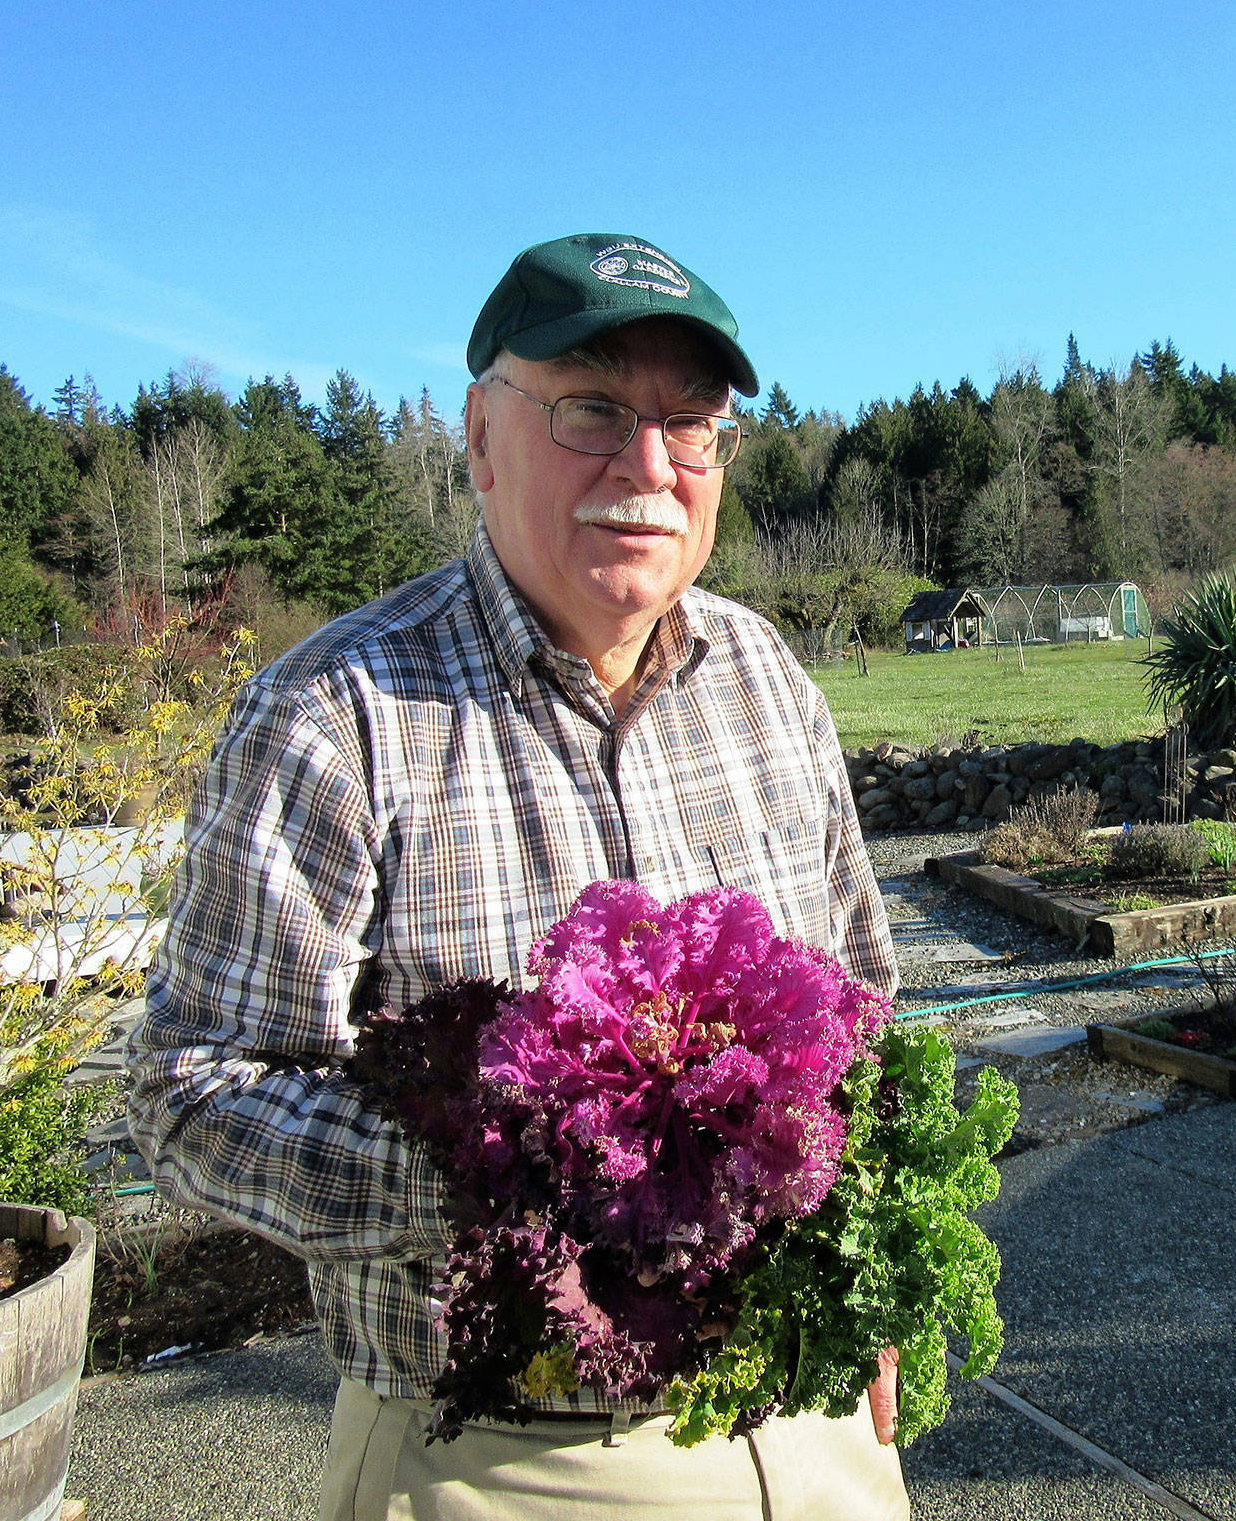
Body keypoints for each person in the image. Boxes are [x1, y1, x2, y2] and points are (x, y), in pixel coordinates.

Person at [128, 232, 910, 1521]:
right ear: (482, 440)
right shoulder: (338, 717)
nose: (648, 468)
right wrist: (507, 1171)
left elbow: (864, 1004)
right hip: (504, 1454)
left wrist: (868, 1283)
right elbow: (187, 1092)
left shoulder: (768, 678)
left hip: (816, 1425)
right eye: (594, 410)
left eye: (690, 424)